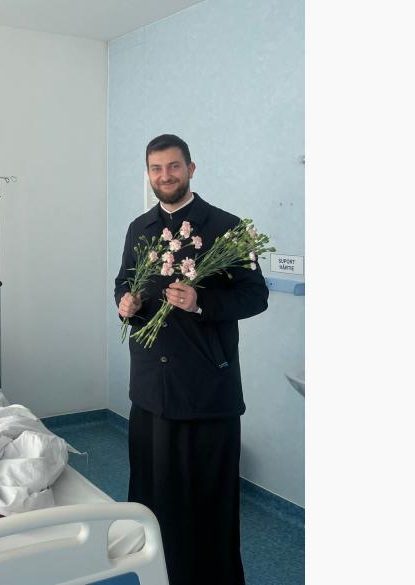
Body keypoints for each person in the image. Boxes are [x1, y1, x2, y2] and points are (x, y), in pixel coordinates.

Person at [113, 134, 270, 584]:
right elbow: (123, 282)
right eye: (156, 168)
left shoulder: (227, 228)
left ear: (191, 169)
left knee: (206, 502)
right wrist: (125, 303)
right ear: (149, 174)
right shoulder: (139, 228)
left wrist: (202, 302)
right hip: (150, 392)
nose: (165, 176)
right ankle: (155, 574)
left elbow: (255, 296)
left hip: (205, 392)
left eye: (174, 166)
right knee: (151, 496)